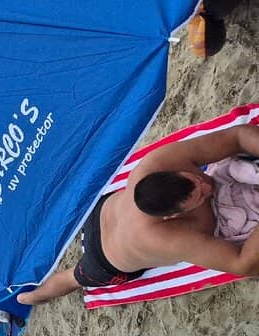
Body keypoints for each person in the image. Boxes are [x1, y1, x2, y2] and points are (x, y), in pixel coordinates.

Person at [18, 125, 259, 305]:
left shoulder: (160, 162)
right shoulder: (166, 236)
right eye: (200, 196)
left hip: (103, 210)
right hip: (105, 259)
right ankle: (31, 298)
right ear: (173, 216)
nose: (206, 186)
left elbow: (237, 136)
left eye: (196, 179)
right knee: (74, 277)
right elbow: (243, 264)